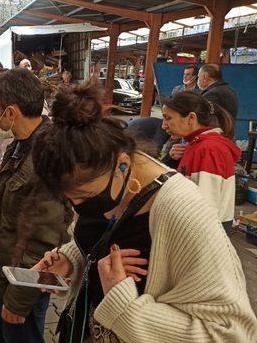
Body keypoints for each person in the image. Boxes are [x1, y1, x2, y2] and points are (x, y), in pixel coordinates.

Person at [31, 79, 256, 342]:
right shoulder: (104, 178)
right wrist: (73, 258)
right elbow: (102, 237)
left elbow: (233, 333)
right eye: (67, 198)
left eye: (83, 196)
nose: (78, 206)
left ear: (123, 164)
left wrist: (124, 305)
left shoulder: (182, 210)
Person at [0, 68, 72, 343]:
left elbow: (45, 239)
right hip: (7, 278)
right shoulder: (18, 146)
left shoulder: (47, 155)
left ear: (10, 112)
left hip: (24, 285)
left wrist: (20, 298)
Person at [162, 91, 239, 233]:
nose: (164, 125)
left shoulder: (209, 149)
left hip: (205, 232)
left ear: (191, 118)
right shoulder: (196, 145)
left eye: (168, 118)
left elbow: (206, 206)